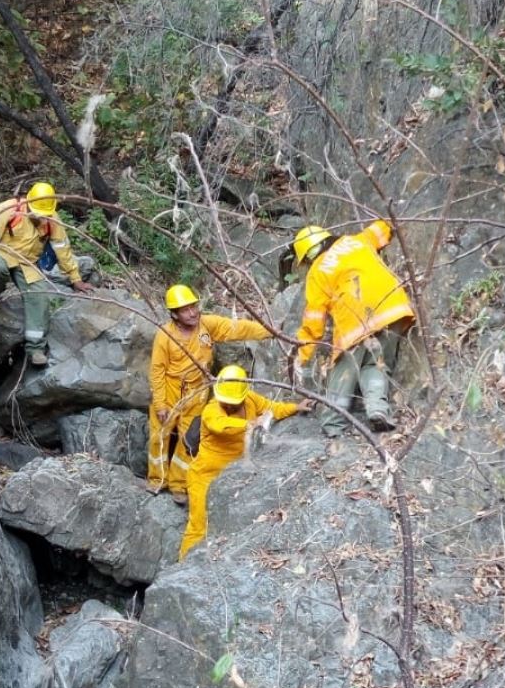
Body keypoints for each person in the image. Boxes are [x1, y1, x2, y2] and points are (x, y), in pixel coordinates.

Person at [147, 284, 272, 498]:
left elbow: (235, 328)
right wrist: (160, 403)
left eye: (193, 306)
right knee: (160, 437)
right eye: (185, 310)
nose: (192, 312)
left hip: (197, 393)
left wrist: (268, 332)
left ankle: (178, 484)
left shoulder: (206, 326)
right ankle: (157, 480)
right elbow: (157, 371)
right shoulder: (165, 336)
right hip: (170, 392)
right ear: (174, 315)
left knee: (187, 442)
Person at [292, 220, 415, 432]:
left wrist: (301, 356)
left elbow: (314, 321)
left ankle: (333, 424)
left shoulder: (318, 272)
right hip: (393, 310)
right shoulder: (357, 240)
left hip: (356, 323)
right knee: (376, 364)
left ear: (308, 256)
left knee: (343, 370)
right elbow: (383, 227)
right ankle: (377, 409)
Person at [0, 181, 92, 366]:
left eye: (44, 214)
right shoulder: (9, 209)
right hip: (1, 253)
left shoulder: (52, 219)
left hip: (27, 262)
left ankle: (35, 349)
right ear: (29, 203)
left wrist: (75, 278)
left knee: (38, 296)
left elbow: (62, 248)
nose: (41, 217)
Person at [180, 366, 301, 557]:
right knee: (198, 525)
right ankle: (183, 566)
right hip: (204, 475)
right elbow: (220, 425)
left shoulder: (251, 399)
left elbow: (273, 408)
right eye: (225, 402)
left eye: (233, 404)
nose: (228, 406)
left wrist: (296, 407)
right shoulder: (212, 410)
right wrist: (250, 424)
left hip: (234, 475)